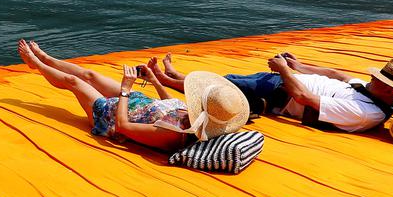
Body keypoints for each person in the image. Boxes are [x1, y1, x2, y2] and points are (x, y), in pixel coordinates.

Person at [17, 40, 249, 152]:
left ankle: (36, 64)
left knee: (74, 82)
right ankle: (47, 59)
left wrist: (126, 88)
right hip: (136, 100)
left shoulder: (171, 136)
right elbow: (168, 102)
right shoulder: (194, 117)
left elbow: (124, 126)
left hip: (109, 115)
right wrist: (154, 79)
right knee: (89, 73)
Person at [149, 52, 393, 133]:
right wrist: (298, 65)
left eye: (377, 79)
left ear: (390, 91)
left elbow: (305, 99)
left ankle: (166, 78)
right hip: (284, 82)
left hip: (282, 94)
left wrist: (284, 72)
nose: (370, 78)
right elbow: (336, 74)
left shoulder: (366, 112)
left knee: (220, 88)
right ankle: (174, 76)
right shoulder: (367, 91)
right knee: (227, 81)